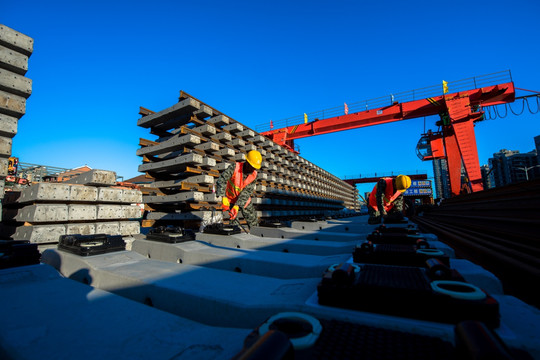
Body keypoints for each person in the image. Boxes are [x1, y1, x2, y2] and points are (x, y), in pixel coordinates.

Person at [216, 150, 262, 229]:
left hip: (244, 200)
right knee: (234, 223)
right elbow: (222, 180)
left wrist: (237, 206)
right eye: (252, 167)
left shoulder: (254, 175)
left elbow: (246, 192)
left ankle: (258, 236)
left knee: (253, 222)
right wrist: (223, 197)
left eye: (255, 168)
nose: (253, 169)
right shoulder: (235, 167)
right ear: (247, 162)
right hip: (230, 199)